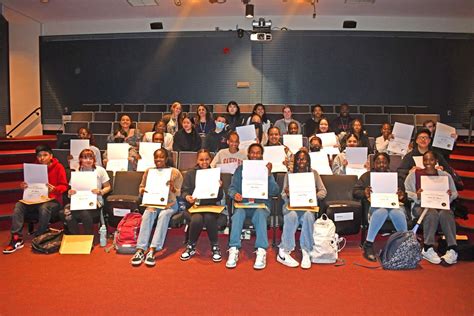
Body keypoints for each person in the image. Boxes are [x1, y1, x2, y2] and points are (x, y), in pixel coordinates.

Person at [3, 145, 68, 254]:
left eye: (45, 155)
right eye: (39, 156)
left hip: (52, 200)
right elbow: (29, 184)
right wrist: (24, 185)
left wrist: (55, 189)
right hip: (34, 199)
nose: (42, 158)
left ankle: (41, 235)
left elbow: (64, 186)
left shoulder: (58, 167)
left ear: (51, 156)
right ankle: (16, 238)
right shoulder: (33, 168)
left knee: (44, 207)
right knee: (19, 205)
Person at [226, 143, 280, 270]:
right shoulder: (240, 169)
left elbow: (275, 192)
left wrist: (269, 175)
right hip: (244, 204)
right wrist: (235, 194)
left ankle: (261, 250)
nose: (255, 155)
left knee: (260, 215)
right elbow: (231, 188)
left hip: (261, 205)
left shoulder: (267, 170)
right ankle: (234, 248)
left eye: (258, 153)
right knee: (237, 215)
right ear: (248, 154)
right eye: (253, 152)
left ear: (262, 155)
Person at [130, 148, 183, 267]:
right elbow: (141, 187)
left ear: (166, 158)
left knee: (164, 215)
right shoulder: (149, 172)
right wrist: (142, 191)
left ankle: (153, 250)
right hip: (153, 202)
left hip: (170, 204)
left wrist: (172, 188)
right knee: (148, 214)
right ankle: (141, 249)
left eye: (161, 157)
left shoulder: (175, 172)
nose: (158, 159)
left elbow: (179, 193)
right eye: (156, 157)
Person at [404, 150, 459, 265]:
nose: (428, 162)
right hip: (420, 206)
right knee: (431, 212)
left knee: (447, 213)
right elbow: (406, 192)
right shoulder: (414, 174)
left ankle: (452, 248)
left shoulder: (445, 176)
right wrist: (416, 195)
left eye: (431, 160)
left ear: (436, 161)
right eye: (425, 160)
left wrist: (449, 195)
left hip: (441, 205)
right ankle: (428, 247)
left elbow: (455, 193)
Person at [353, 153, 408, 261]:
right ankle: (368, 244)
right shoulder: (366, 176)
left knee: (397, 213)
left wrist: (402, 196)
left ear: (388, 163)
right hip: (376, 207)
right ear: (374, 163)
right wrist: (365, 193)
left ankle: (405, 245)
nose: (381, 164)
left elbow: (405, 198)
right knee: (381, 212)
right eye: (378, 162)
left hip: (394, 207)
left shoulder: (396, 177)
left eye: (384, 162)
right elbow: (355, 192)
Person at [278, 150, 327, 269]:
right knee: (292, 215)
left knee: (309, 216)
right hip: (291, 206)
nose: (301, 161)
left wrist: (314, 193)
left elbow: (323, 192)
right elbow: (283, 195)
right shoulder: (289, 174)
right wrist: (287, 194)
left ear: (308, 161)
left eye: (304, 159)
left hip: (307, 206)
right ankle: (284, 250)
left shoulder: (314, 173)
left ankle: (306, 250)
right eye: (298, 159)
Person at [180, 149, 225, 262]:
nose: (204, 162)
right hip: (194, 207)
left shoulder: (215, 173)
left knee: (210, 218)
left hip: (210, 207)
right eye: (201, 159)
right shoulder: (190, 173)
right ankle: (191, 246)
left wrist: (219, 188)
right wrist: (187, 197)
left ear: (210, 160)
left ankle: (215, 246)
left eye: (207, 159)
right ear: (197, 160)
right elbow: (184, 192)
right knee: (197, 219)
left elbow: (219, 197)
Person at [61, 149, 111, 235]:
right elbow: (72, 190)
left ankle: (88, 237)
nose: (88, 160)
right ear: (80, 159)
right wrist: (70, 193)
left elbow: (108, 187)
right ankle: (75, 236)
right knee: (66, 213)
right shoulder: (77, 172)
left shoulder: (100, 170)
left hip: (95, 201)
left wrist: (101, 191)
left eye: (90, 158)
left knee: (84, 213)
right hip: (79, 201)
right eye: (85, 158)